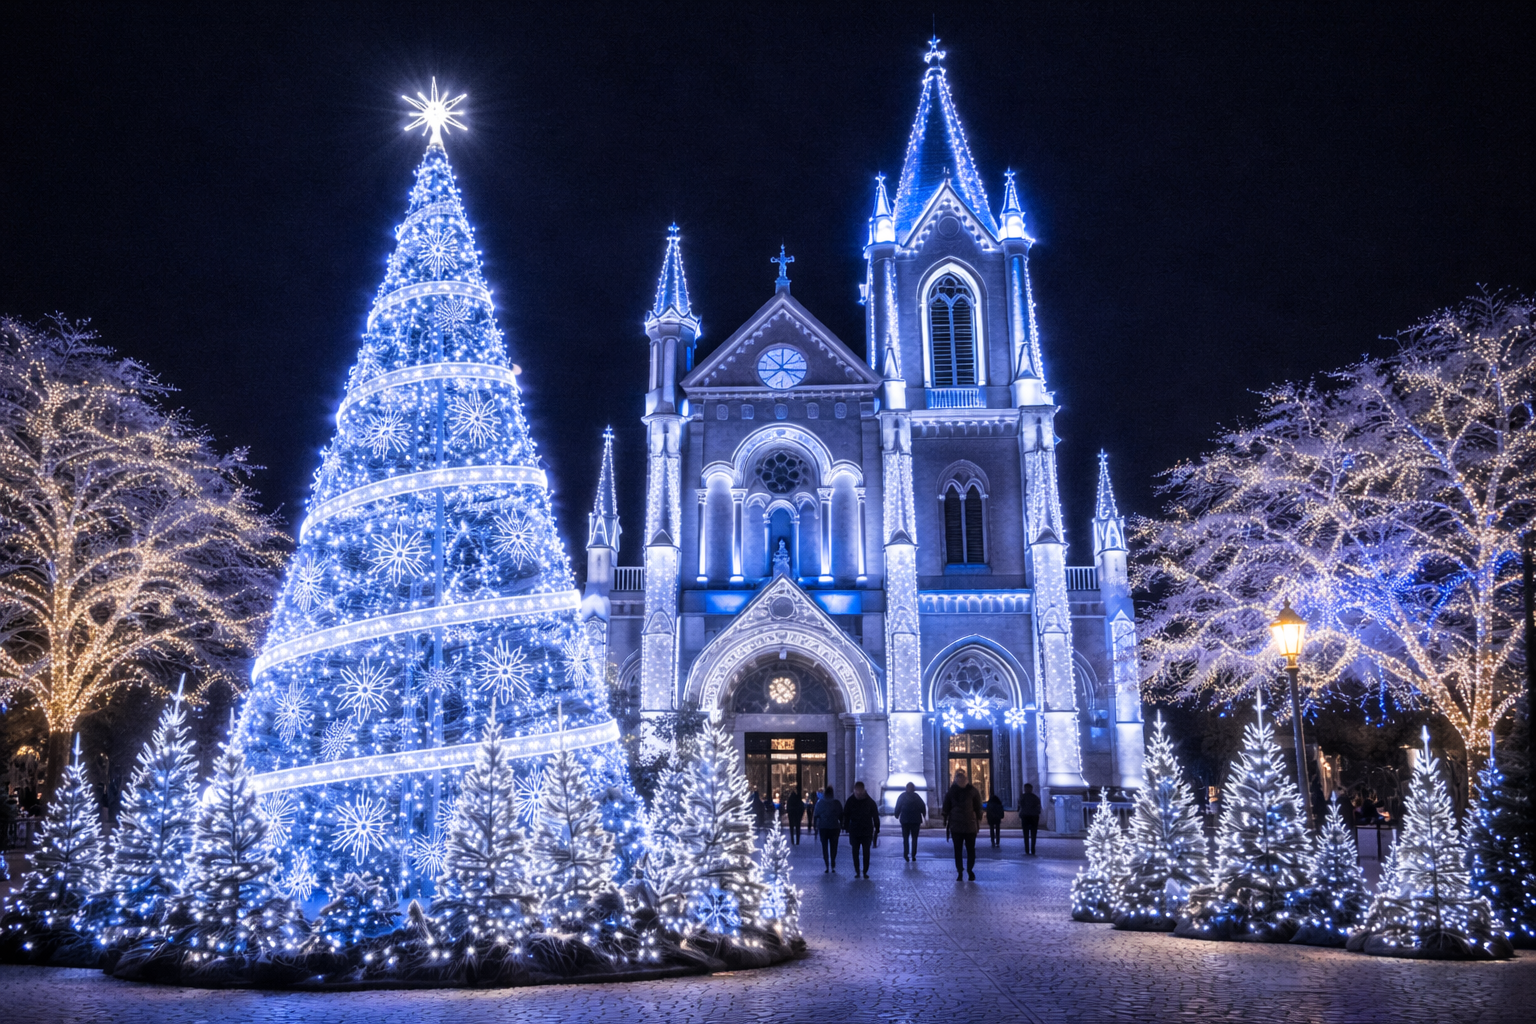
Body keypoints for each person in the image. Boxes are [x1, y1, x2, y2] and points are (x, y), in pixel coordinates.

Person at [943, 769, 982, 881]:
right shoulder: (972, 790)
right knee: (969, 850)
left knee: (960, 850)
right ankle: (967, 871)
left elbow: (946, 808)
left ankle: (962, 871)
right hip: (965, 825)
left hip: (960, 825)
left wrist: (945, 819)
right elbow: (978, 807)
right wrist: (978, 819)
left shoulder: (952, 791)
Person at [843, 781, 881, 878]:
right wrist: (845, 826)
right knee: (855, 852)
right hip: (856, 831)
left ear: (863, 790)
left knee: (866, 852)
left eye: (860, 791)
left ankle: (864, 871)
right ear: (854, 790)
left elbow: (875, 816)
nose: (859, 793)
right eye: (857, 791)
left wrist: (877, 827)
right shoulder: (852, 801)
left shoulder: (868, 802)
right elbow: (846, 815)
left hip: (866, 831)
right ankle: (858, 870)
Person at [813, 784, 844, 873]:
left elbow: (816, 815)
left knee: (824, 846)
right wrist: (841, 825)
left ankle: (827, 865)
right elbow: (841, 815)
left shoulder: (820, 803)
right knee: (834, 846)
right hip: (834, 827)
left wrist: (815, 828)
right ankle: (833, 862)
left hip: (823, 827)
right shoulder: (836, 803)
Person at [894, 781, 927, 862]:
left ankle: (906, 854)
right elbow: (922, 806)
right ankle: (913, 855)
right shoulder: (917, 797)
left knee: (905, 838)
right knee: (914, 838)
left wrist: (897, 814)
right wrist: (924, 814)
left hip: (905, 820)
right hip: (915, 820)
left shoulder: (902, 796)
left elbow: (898, 806)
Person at [1018, 782, 1041, 855]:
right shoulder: (1035, 797)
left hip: (1026, 816)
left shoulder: (1023, 797)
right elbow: (1038, 806)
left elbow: (1020, 805)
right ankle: (1032, 848)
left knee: (1026, 834)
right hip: (1034, 816)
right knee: (1033, 834)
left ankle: (1027, 849)